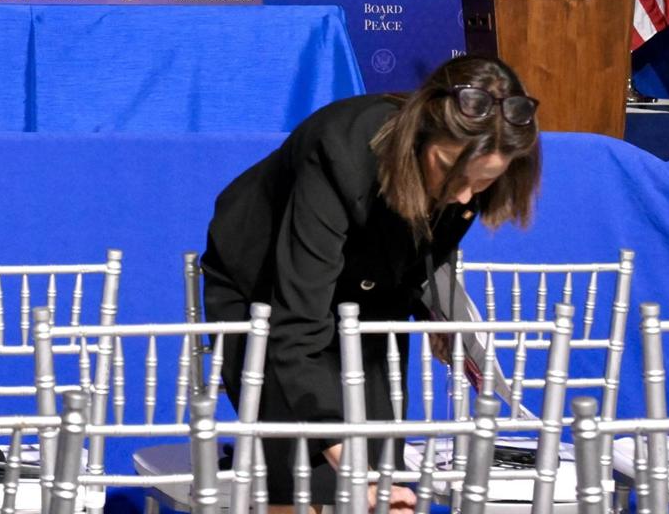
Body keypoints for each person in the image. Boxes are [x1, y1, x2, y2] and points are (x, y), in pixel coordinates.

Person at [201, 55, 541, 511]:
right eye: (451, 171)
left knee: (386, 486)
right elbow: (295, 324)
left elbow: (421, 253)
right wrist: (347, 461)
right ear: (419, 135)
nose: (464, 195)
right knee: (300, 478)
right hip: (264, 288)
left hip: (367, 295)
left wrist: (433, 311)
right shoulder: (339, 151)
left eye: (483, 182)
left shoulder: (474, 164)